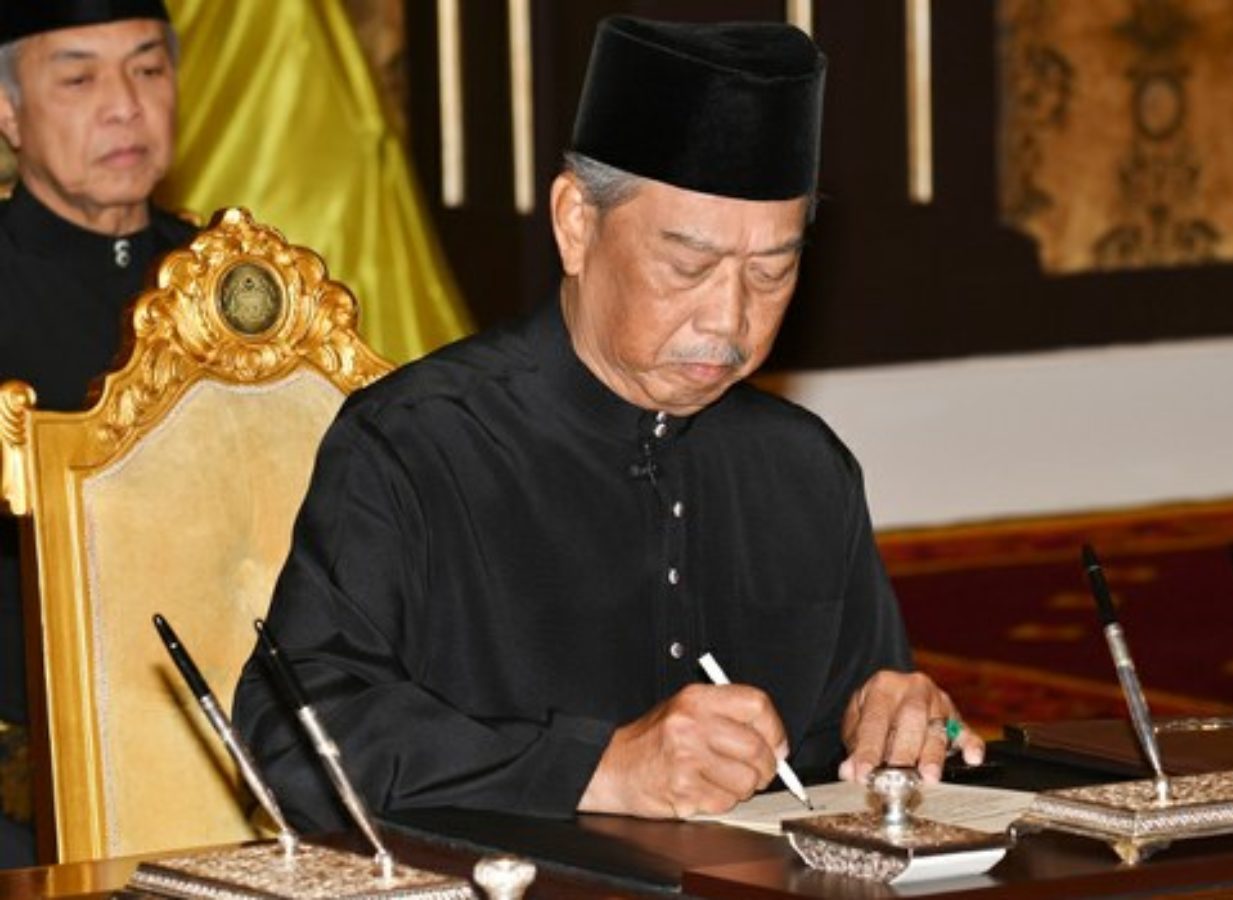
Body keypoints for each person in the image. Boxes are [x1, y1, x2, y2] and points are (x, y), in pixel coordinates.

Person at [234, 15, 985, 830]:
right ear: (576, 224)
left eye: (772, 272)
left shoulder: (804, 470)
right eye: (688, 266)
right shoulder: (418, 445)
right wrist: (597, 769)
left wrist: (891, 716)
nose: (730, 319)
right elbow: (292, 742)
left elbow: (852, 746)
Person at [0, 0, 192, 867]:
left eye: (148, 70)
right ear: (7, 112)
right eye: (78, 77)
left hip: (217, 760)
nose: (124, 104)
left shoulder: (232, 284)